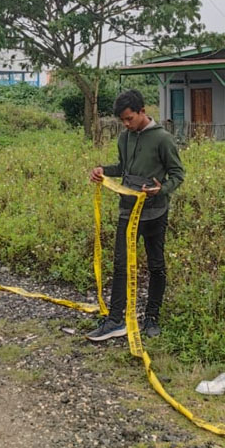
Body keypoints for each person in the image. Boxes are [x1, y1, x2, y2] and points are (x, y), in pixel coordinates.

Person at [86, 89, 184, 341]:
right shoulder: (124, 138)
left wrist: (161, 190)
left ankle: (152, 318)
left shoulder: (163, 139)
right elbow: (123, 168)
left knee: (156, 265)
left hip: (155, 213)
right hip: (127, 212)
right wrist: (102, 171)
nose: (126, 124)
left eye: (130, 118)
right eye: (123, 120)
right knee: (120, 264)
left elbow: (177, 174)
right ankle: (116, 320)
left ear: (142, 112)